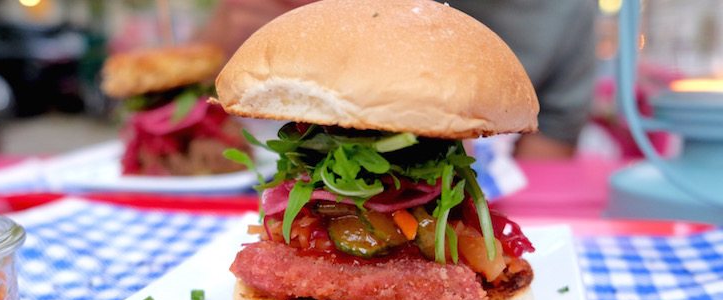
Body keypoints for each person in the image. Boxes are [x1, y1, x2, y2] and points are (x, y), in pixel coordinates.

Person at [196, 0, 596, 159]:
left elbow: (555, 136)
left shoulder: (569, 12)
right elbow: (215, 61)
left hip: (506, 180)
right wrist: (226, 37)